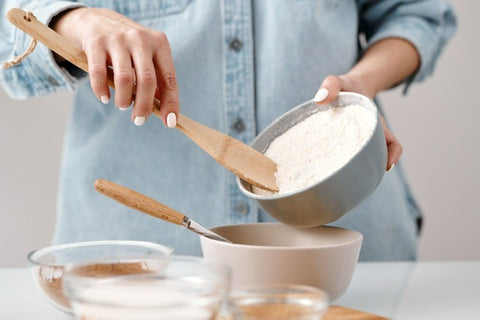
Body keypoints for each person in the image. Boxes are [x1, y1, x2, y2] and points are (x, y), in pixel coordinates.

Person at [0, 1, 456, 261]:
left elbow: (417, 14)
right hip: (142, 261)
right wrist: (74, 20)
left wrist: (363, 83)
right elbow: (12, 30)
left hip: (345, 256)